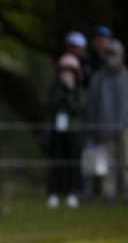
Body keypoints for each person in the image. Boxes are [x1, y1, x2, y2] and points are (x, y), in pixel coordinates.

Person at [86, 39, 128, 203]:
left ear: (121, 55)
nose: (111, 57)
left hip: (125, 126)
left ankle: (126, 193)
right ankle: (108, 194)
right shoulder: (98, 79)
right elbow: (92, 105)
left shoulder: (126, 77)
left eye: (114, 54)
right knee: (107, 164)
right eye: (108, 54)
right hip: (104, 126)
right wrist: (92, 127)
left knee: (126, 161)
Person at [45, 54, 85, 209]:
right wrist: (62, 91)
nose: (66, 74)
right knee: (56, 161)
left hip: (73, 131)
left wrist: (69, 92)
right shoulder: (55, 88)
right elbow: (50, 105)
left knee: (74, 162)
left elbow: (78, 108)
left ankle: (73, 193)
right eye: (64, 70)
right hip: (57, 130)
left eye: (70, 70)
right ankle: (54, 193)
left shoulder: (79, 90)